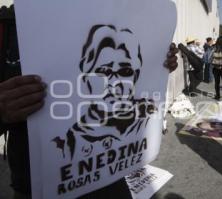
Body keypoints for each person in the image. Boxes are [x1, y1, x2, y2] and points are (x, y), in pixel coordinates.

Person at [0, 5, 179, 199]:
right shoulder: (12, 24)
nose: (114, 83)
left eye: (125, 72)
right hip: (39, 187)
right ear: (85, 78)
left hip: (109, 179)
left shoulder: (141, 118)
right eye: (103, 72)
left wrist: (159, 62)